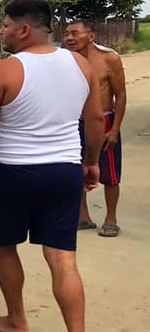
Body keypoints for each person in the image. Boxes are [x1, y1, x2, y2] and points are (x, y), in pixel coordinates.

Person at [0, 0, 101, 332]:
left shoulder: (4, 71)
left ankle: (17, 321)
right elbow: (94, 120)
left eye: (6, 25)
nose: (2, 31)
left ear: (24, 29)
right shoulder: (80, 64)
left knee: (5, 247)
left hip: (15, 174)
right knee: (63, 259)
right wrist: (91, 162)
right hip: (64, 172)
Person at [63, 20, 127, 238]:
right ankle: (83, 216)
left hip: (104, 121)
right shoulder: (65, 61)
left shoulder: (109, 59)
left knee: (110, 173)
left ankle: (111, 218)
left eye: (75, 33)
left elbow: (121, 95)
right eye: (66, 34)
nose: (69, 38)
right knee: (77, 169)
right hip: (75, 122)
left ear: (91, 36)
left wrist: (115, 129)